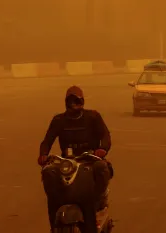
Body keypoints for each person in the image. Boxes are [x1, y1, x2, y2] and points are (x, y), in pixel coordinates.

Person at [38, 86, 112, 233]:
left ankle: (98, 201)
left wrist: (102, 149)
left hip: (90, 159)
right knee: (48, 172)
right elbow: (47, 141)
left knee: (101, 168)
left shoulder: (93, 117)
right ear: (66, 102)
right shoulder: (58, 120)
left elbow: (105, 136)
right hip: (67, 161)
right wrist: (43, 155)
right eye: (71, 101)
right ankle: (54, 223)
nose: (74, 104)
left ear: (82, 101)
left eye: (77, 100)